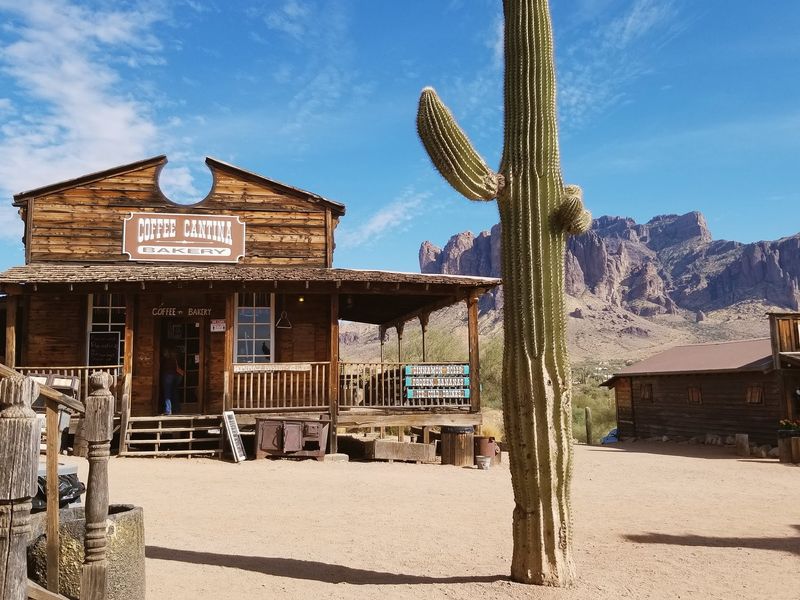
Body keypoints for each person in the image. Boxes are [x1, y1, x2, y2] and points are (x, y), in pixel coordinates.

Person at [160, 344, 185, 415]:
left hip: (167, 376)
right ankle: (176, 409)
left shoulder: (165, 359)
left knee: (167, 393)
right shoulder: (174, 358)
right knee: (174, 392)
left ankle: (168, 410)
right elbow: (177, 367)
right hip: (175, 376)